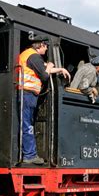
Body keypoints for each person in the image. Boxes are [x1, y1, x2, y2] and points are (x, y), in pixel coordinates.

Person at [18, 35, 71, 165]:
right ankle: (30, 155)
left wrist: (60, 69)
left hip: (28, 94)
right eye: (46, 46)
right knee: (27, 125)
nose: (47, 49)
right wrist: (49, 66)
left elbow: (44, 68)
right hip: (27, 93)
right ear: (40, 45)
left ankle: (30, 153)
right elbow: (44, 75)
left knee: (28, 123)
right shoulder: (34, 56)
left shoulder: (30, 56)